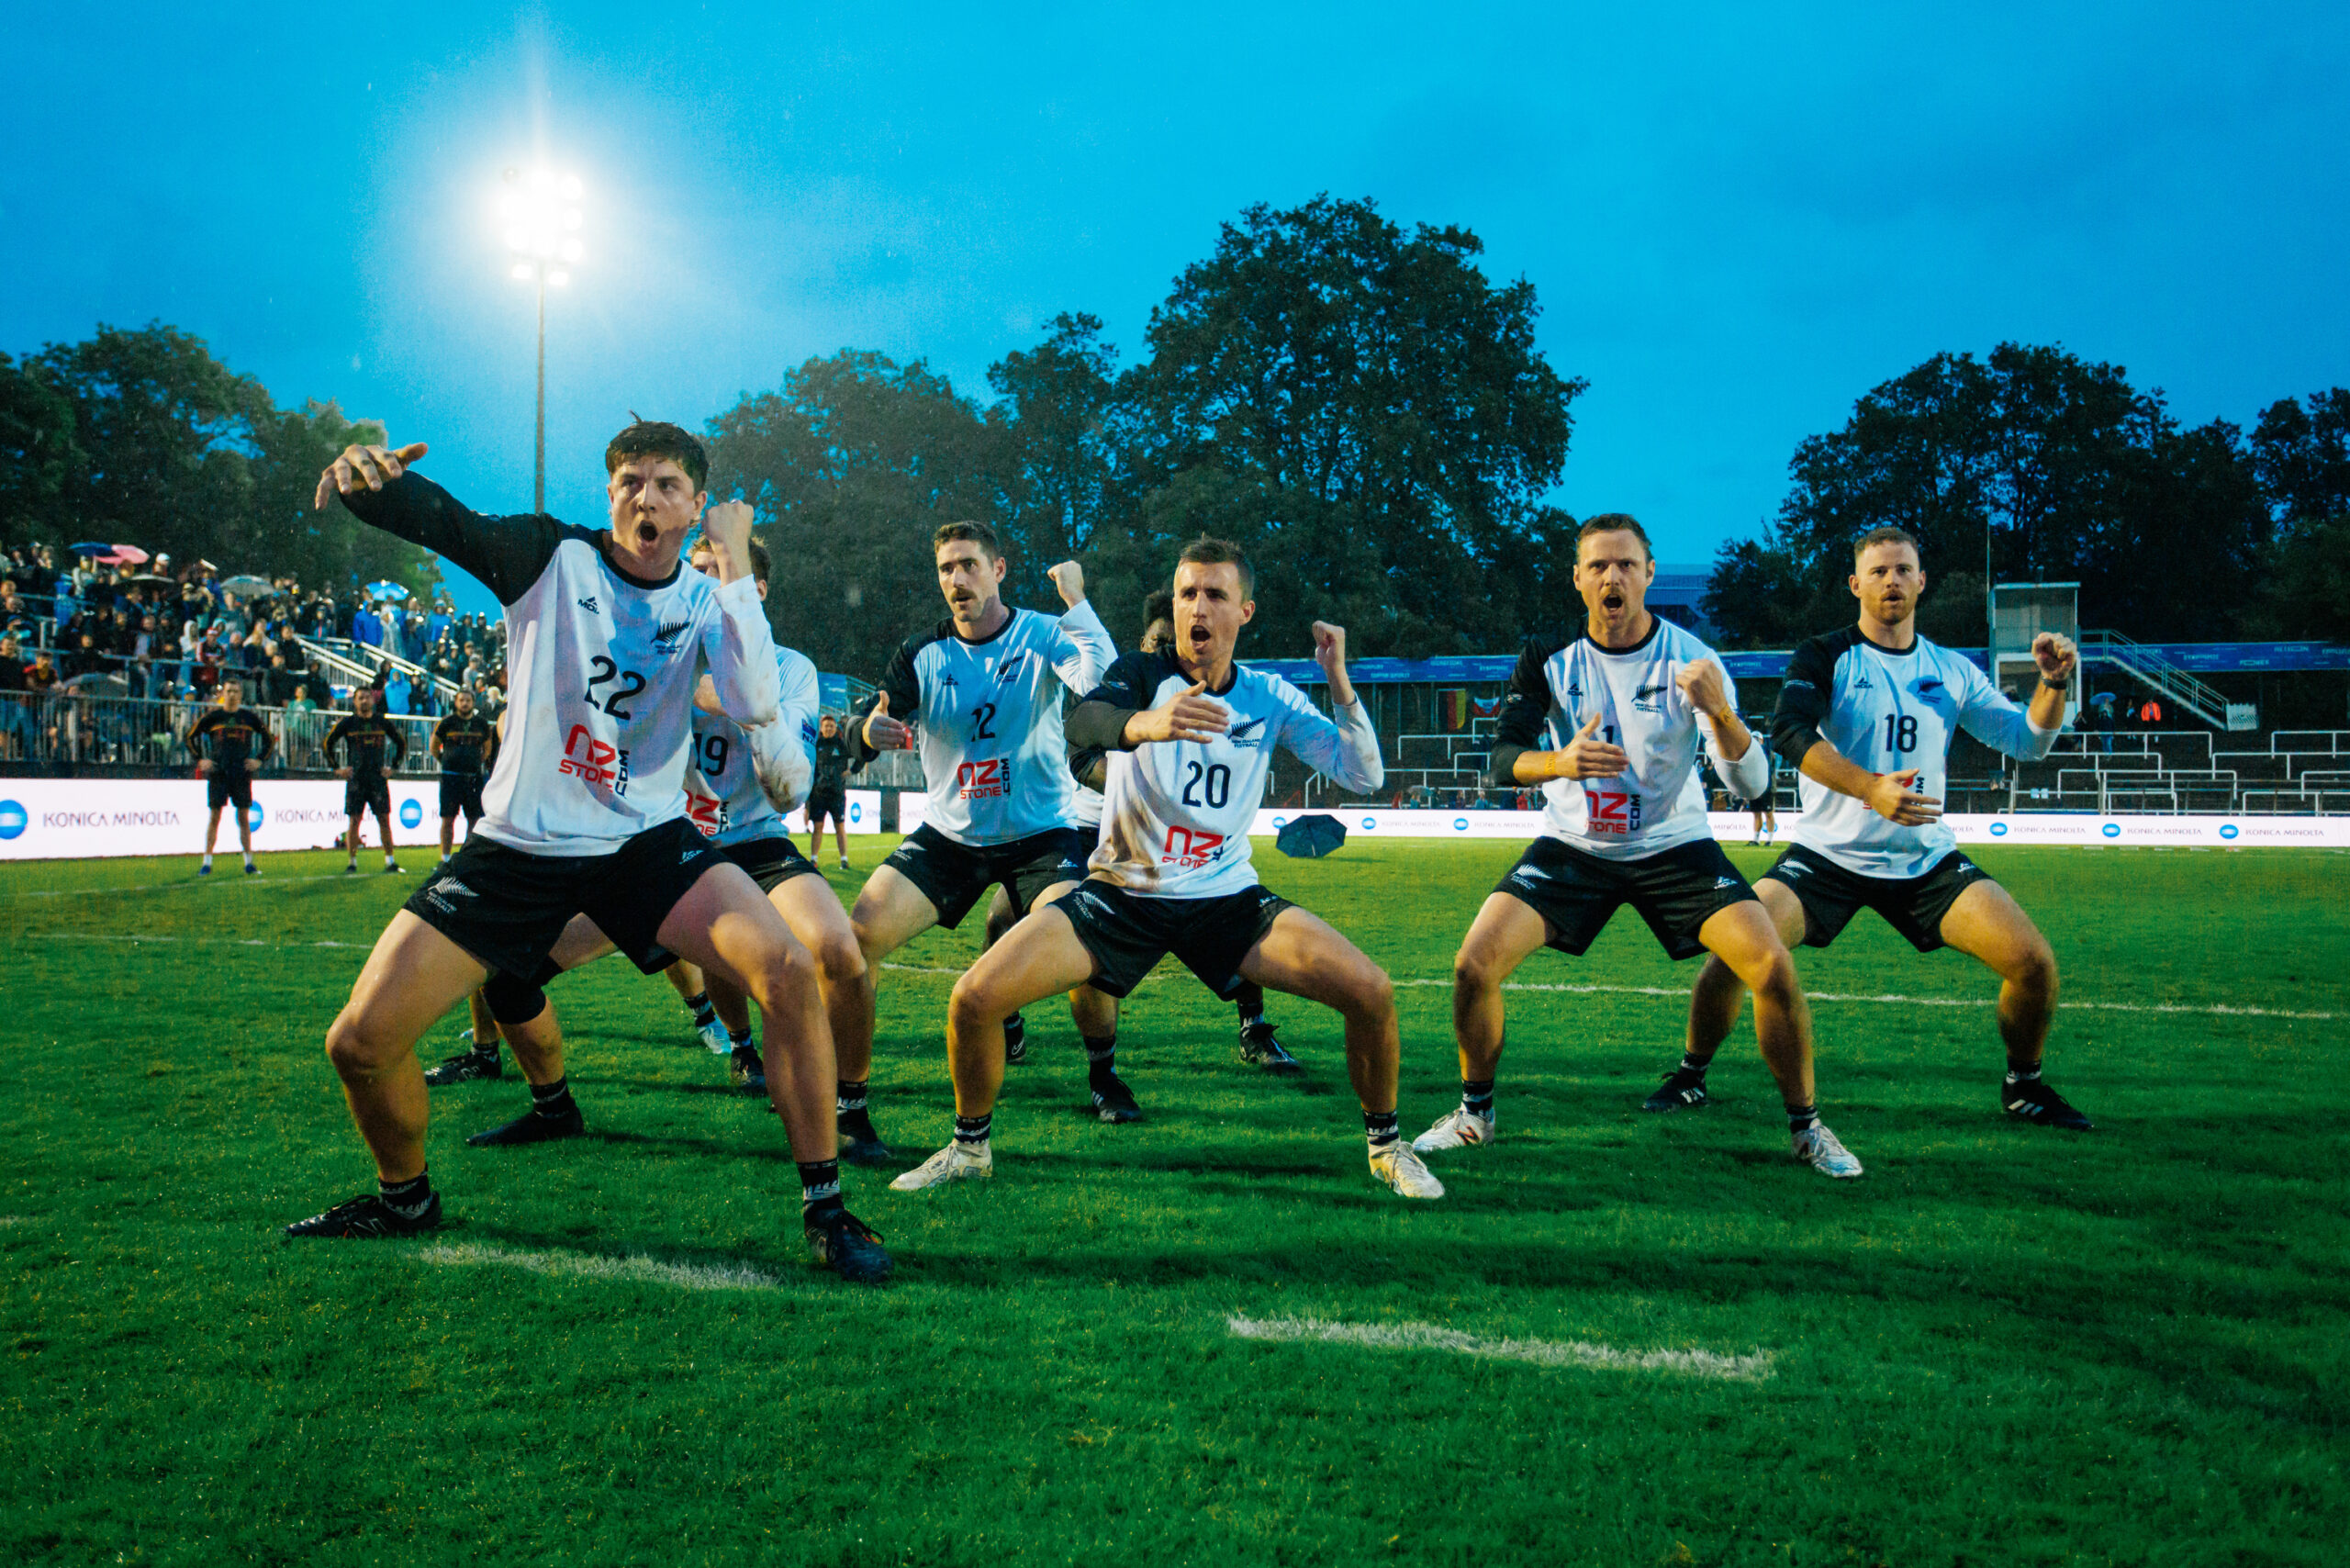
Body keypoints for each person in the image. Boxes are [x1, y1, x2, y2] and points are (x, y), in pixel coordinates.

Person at [284, 423, 889, 1283]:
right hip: (519, 847)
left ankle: (827, 1212)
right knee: (358, 1043)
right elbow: (446, 522)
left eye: (667, 484)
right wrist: (368, 487)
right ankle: (406, 1198)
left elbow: (757, 700)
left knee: (788, 970)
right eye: (630, 481)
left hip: (645, 843)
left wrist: (735, 565)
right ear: (609, 495)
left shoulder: (708, 597)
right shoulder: (550, 555)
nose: (646, 497)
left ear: (697, 507)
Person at [890, 537, 1441, 1199]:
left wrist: (1340, 683)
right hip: (1123, 893)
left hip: (1225, 899)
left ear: (1244, 612)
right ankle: (968, 1150)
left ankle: (1387, 1149)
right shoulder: (1141, 675)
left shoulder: (1268, 696)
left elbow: (1362, 774)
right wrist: (1147, 724)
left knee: (1371, 992)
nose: (1196, 608)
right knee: (973, 998)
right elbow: (1086, 722)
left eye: (1214, 595)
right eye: (1186, 594)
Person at [1414, 514, 1862, 1179]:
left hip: (1673, 845)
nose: (1612, 577)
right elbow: (1503, 758)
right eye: (1598, 566)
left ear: (1649, 574)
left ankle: (1808, 1129)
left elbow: (1751, 783)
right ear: (1578, 579)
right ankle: (1474, 1115)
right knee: (1473, 964)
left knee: (1770, 965)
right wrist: (1559, 763)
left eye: (1625, 564)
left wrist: (1721, 712)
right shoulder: (1549, 655)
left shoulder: (1693, 661)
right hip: (1574, 845)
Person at [1659, 527, 2090, 1132]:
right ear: (1855, 584)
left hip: (1924, 861)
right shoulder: (1824, 655)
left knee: (2034, 964)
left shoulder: (1952, 669)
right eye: (1879, 571)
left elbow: (2028, 741)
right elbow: (1789, 732)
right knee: (1732, 953)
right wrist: (1870, 788)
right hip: (1826, 857)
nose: (1892, 580)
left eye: (1903, 570)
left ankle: (2024, 1087)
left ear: (1921, 582)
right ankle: (1689, 1075)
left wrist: (2053, 684)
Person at [839, 521, 1114, 1159]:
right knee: (858, 939)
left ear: (999, 570)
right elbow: (878, 719)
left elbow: (1097, 679)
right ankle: (849, 1107)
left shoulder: (1042, 633)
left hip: (1040, 834)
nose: (957, 579)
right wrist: (868, 732)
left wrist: (1076, 600)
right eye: (946, 568)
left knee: (1083, 939)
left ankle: (1103, 1075)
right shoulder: (921, 652)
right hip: (950, 836)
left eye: (968, 565)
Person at [982, 584, 1299, 1076]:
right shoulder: (1125, 680)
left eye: (1171, 642)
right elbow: (1080, 752)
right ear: (1144, 641)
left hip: (1171, 842)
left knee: (1235, 913)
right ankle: (1014, 1027)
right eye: (1156, 641)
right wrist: (1132, 774)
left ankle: (1253, 1028)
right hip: (1090, 830)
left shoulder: (1205, 697)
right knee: (1002, 918)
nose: (1162, 650)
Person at [186, 679, 274, 876]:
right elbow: (190, 737)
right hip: (219, 772)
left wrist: (259, 760)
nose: (232, 695)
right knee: (215, 816)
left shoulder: (249, 718)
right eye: (229, 691)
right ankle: (206, 863)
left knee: (243, 817)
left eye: (235, 691)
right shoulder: (213, 717)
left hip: (241, 773)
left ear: (241, 695)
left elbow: (269, 739)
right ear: (223, 694)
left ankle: (249, 863)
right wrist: (200, 759)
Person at [327, 686, 407, 873]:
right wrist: (337, 768)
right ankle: (352, 863)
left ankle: (390, 861)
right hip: (356, 779)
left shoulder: (382, 722)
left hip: (377, 779)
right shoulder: (348, 723)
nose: (364, 701)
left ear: (373, 700)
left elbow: (401, 742)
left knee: (384, 820)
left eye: (367, 697)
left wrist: (393, 767)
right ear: (354, 701)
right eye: (360, 698)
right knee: (354, 821)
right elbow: (328, 743)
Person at [431, 687, 496, 863]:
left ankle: (468, 857)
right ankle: (445, 858)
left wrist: (476, 762)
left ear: (473, 703)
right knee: (448, 819)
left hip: (473, 778)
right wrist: (445, 760)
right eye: (461, 700)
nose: (464, 703)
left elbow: (487, 749)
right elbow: (434, 746)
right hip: (450, 778)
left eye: (468, 700)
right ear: (456, 702)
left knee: (474, 819)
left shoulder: (481, 724)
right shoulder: (447, 722)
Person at [804, 712, 854, 871]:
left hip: (837, 794)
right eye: (826, 726)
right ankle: (813, 859)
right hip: (819, 794)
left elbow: (860, 754)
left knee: (840, 826)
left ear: (835, 728)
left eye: (832, 726)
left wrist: (853, 770)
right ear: (821, 728)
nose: (829, 728)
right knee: (818, 826)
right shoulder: (815, 744)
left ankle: (844, 860)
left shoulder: (842, 744)